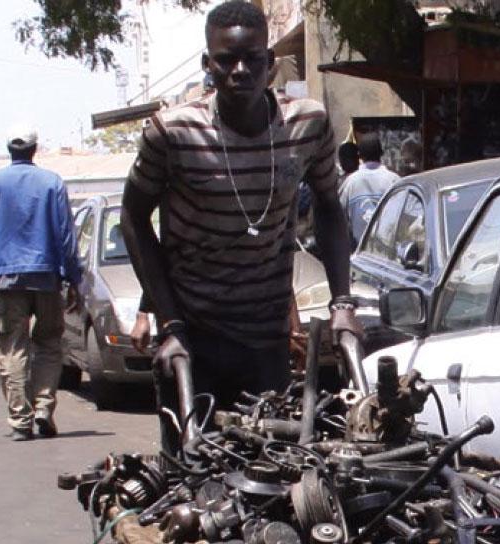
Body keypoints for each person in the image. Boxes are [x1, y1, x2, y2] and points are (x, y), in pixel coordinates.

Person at [121, 0, 362, 454]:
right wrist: (168, 323)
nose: (239, 70)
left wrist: (342, 303)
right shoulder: (173, 133)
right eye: (225, 60)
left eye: (252, 59)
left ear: (270, 65)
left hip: (265, 336)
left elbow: (330, 207)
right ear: (207, 65)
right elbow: (133, 217)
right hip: (194, 335)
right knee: (192, 482)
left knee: (275, 472)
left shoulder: (306, 125)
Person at [0, 124, 82, 441]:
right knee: (48, 344)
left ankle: (21, 418)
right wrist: (74, 278)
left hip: (6, 280)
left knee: (11, 348)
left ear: (10, 150)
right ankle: (44, 408)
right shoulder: (52, 183)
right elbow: (66, 235)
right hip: (46, 278)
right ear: (34, 149)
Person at [339, 132, 400, 251]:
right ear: (381, 154)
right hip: (389, 256)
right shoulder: (394, 181)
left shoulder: (350, 183)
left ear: (360, 156)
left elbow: (339, 218)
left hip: (360, 255)